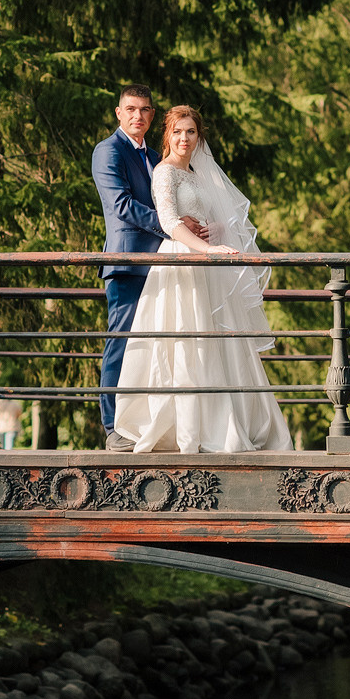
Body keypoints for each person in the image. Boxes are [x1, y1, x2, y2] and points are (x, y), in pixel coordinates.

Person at [113, 105, 291, 454]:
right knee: (185, 343)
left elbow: (215, 217)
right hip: (182, 262)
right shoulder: (164, 173)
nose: (184, 138)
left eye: (191, 132)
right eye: (178, 131)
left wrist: (217, 231)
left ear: (199, 136)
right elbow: (168, 221)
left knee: (216, 341)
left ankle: (227, 421)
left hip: (206, 265)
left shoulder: (198, 175)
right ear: (168, 135)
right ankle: (187, 427)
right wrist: (203, 250)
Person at [91, 86, 209, 451]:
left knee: (156, 348)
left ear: (152, 116)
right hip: (127, 264)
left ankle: (151, 424)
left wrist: (192, 227)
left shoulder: (159, 158)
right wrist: (172, 224)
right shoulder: (108, 151)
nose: (137, 116)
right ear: (118, 113)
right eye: (130, 109)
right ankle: (113, 428)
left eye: (144, 110)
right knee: (123, 343)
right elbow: (122, 205)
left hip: (164, 266)